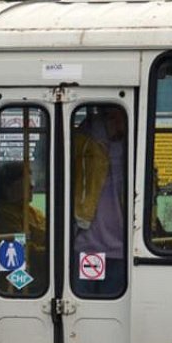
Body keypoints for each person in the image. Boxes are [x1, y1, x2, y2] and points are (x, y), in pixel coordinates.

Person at [73, 106, 126, 295]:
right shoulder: (87, 143)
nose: (118, 123)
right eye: (112, 117)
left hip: (121, 248)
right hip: (88, 244)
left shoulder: (134, 146)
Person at [0, 162, 47, 286]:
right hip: (14, 278)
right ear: (8, 188)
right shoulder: (2, 214)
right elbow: (26, 250)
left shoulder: (33, 212)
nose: (32, 186)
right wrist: (53, 250)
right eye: (25, 183)